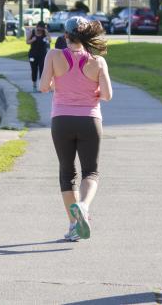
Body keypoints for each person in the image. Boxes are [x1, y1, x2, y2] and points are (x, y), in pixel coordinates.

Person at [39, 16, 112, 242]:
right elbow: (108, 95)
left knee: (67, 173)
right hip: (90, 120)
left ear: (66, 35)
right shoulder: (98, 61)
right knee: (91, 171)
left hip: (61, 120)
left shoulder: (53, 55)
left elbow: (43, 87)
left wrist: (54, 84)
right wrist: (97, 91)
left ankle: (74, 225)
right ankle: (84, 206)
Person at [26, 21, 50, 92]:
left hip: (42, 54)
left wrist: (47, 38)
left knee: (42, 69)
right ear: (37, 27)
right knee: (34, 69)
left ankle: (41, 86)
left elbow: (50, 40)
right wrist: (32, 40)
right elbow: (27, 42)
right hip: (33, 54)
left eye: (41, 29)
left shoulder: (44, 32)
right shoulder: (32, 32)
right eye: (39, 29)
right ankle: (34, 86)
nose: (40, 31)